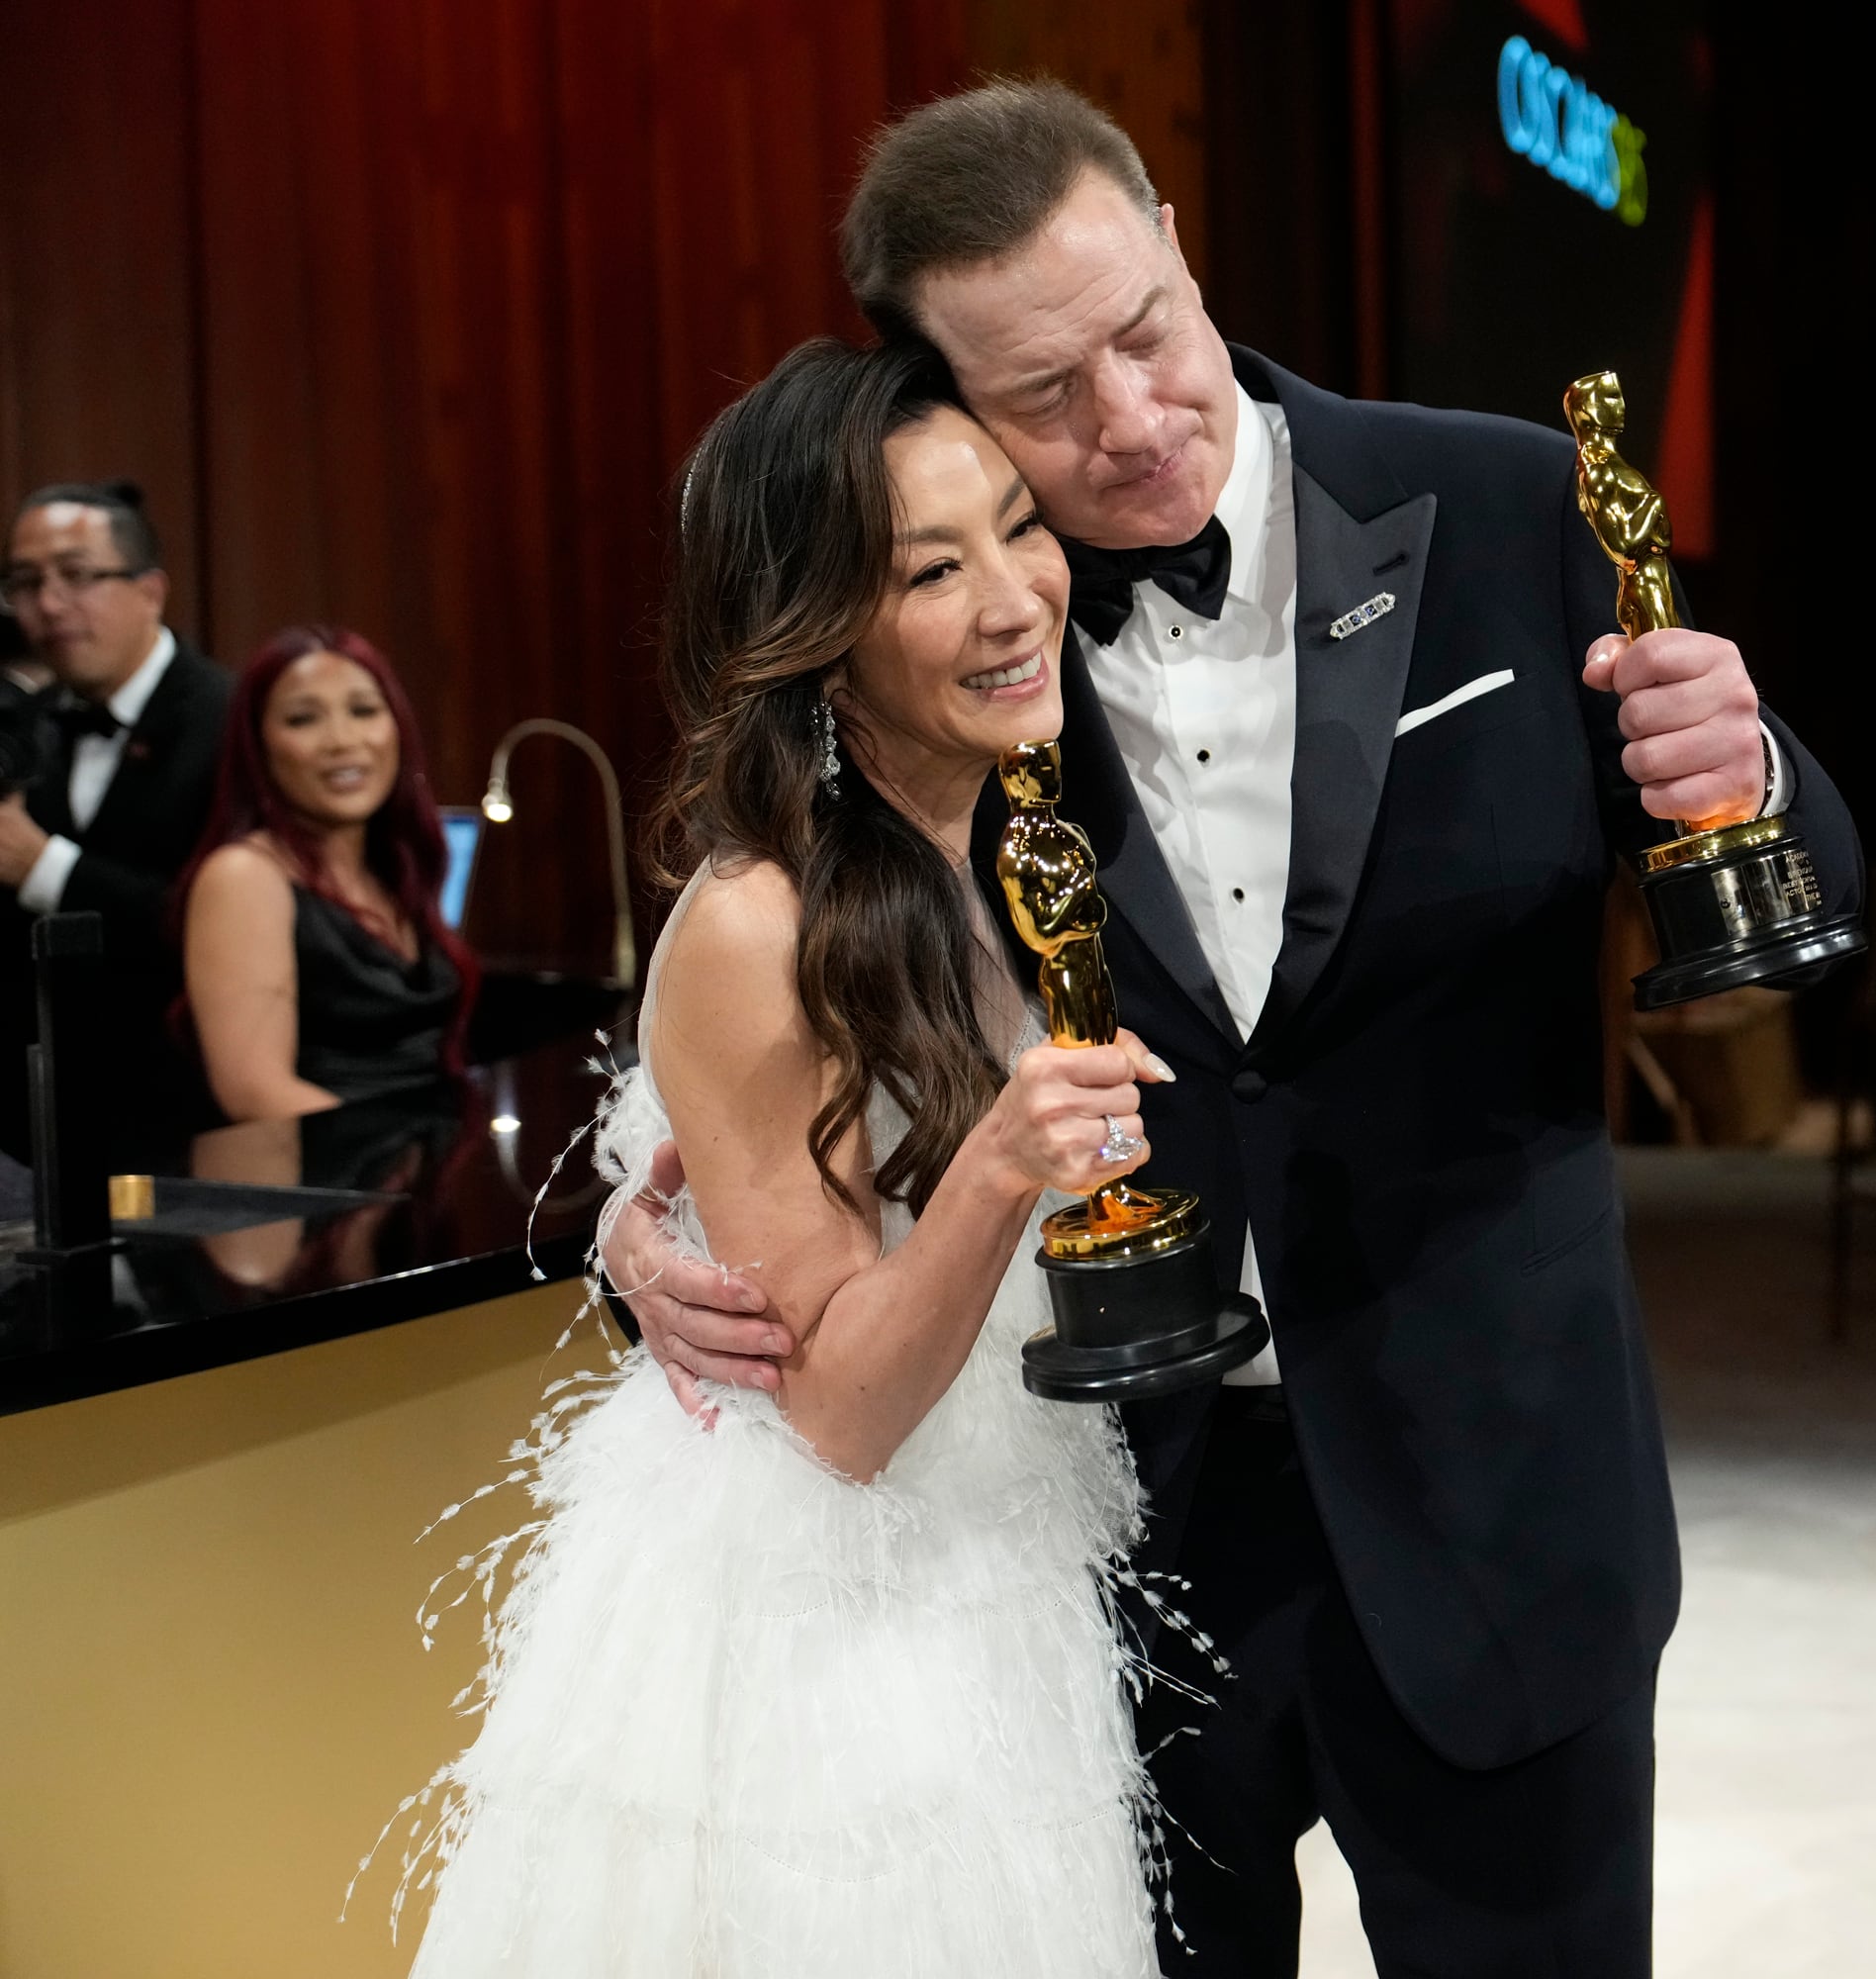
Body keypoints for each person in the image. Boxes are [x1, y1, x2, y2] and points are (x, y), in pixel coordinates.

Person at [604, 79, 1862, 1976]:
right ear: (934, 396)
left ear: (1180, 240)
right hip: (1114, 1536)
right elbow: (789, 990)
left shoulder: (1512, 500)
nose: (1129, 422)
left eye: (1143, 333)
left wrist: (1743, 763)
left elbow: (1777, 875)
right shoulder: (964, 651)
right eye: (1041, 397)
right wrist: (652, 1235)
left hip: (1505, 1496)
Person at [406, 338, 1171, 1973]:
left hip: (999, 1547)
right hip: (842, 1618)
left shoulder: (1005, 840)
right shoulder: (762, 919)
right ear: (819, 640)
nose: (1017, 597)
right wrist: (999, 1168)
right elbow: (831, 1415)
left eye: (1020, 528)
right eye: (930, 569)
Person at [0, 479, 230, 1157]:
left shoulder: (229, 719)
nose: (48, 604)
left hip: (193, 1122)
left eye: (77, 576)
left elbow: (220, 928)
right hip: (46, 1127)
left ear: (150, 591)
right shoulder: (32, 724)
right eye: (25, 581)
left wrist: (43, 867)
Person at [175, 625, 476, 1119]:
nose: (342, 740)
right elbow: (255, 1092)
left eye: (363, 710)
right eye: (303, 719)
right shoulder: (242, 876)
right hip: (331, 1180)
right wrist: (401, 1172)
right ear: (259, 746)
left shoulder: (393, 869)